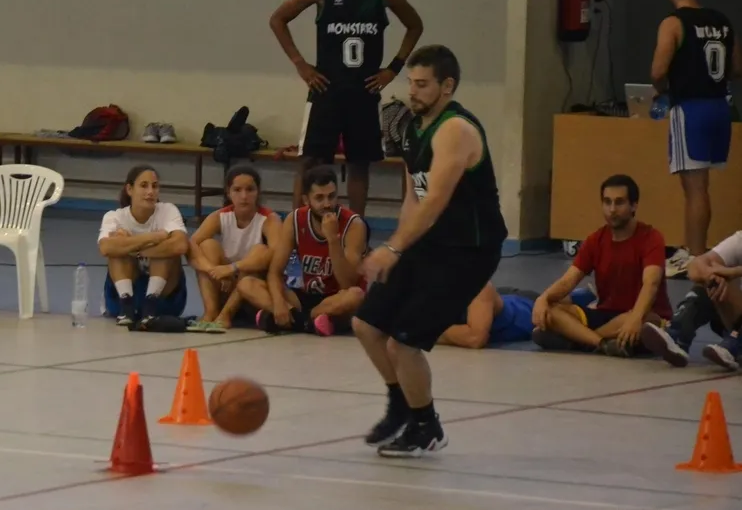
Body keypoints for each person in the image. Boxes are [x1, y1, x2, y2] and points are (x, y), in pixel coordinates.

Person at [353, 44, 507, 457]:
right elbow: (414, 198)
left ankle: (426, 428)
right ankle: (401, 404)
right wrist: (399, 248)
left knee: (403, 343)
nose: (413, 91)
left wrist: (392, 247)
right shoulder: (410, 128)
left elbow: (436, 200)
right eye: (411, 82)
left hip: (468, 249)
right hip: (429, 242)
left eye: (422, 84)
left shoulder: (455, 129)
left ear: (447, 86)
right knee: (366, 324)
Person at [268, 0, 423, 218]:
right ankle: (300, 228)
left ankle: (356, 228)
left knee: (359, 164)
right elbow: (278, 19)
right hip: (326, 88)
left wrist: (393, 68)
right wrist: (301, 65)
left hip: (364, 90)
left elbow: (415, 25)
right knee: (310, 161)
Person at [649, 0, 741, 278]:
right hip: (720, 108)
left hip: (691, 109)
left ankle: (695, 256)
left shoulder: (673, 23)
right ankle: (696, 251)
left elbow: (658, 71)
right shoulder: (722, 21)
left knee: (695, 189)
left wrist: (662, 90)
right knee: (702, 187)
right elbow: (737, 68)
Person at [531, 175, 672, 357]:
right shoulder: (595, 240)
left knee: (648, 323)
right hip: (605, 315)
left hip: (640, 314)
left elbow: (651, 283)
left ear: (634, 206)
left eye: (619, 202)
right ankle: (602, 344)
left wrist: (635, 318)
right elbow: (568, 281)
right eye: (607, 202)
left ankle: (580, 339)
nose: (612, 209)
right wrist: (542, 299)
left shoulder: (651, 238)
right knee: (551, 312)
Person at [236, 165, 367, 336]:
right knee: (246, 284)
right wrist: (279, 303)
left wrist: (333, 240)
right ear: (306, 200)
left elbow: (348, 283)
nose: (327, 204)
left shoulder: (353, 224)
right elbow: (275, 272)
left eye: (331, 196)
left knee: (355, 296)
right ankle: (308, 322)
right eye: (319, 198)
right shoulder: (295, 219)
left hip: (336, 297)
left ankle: (292, 321)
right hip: (304, 296)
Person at [186, 165, 282, 332]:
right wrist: (214, 270)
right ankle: (210, 312)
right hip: (227, 286)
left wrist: (233, 268)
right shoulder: (220, 216)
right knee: (207, 245)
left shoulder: (269, 219)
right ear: (228, 193)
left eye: (250, 189)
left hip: (253, 291)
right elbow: (190, 246)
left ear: (258, 192)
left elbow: (277, 258)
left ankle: (225, 316)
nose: (244, 196)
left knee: (260, 251)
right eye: (237, 190)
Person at [98, 165, 190, 331]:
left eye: (155, 186)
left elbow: (181, 245)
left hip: (165, 300)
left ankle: (150, 308)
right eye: (143, 185)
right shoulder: (115, 216)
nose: (150, 192)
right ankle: (126, 308)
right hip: (123, 298)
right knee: (117, 247)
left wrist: (137, 249)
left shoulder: (168, 210)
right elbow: (105, 248)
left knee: (165, 249)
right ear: (129, 189)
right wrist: (152, 237)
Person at [641, 229, 742, 370]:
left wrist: (731, 272)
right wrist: (711, 276)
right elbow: (694, 266)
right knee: (711, 281)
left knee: (717, 276)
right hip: (735, 319)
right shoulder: (739, 240)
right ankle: (677, 335)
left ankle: (736, 344)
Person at [436, 284, 539, 349]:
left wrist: (431, 331)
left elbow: (475, 339)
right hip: (500, 298)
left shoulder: (480, 288)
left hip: (527, 305)